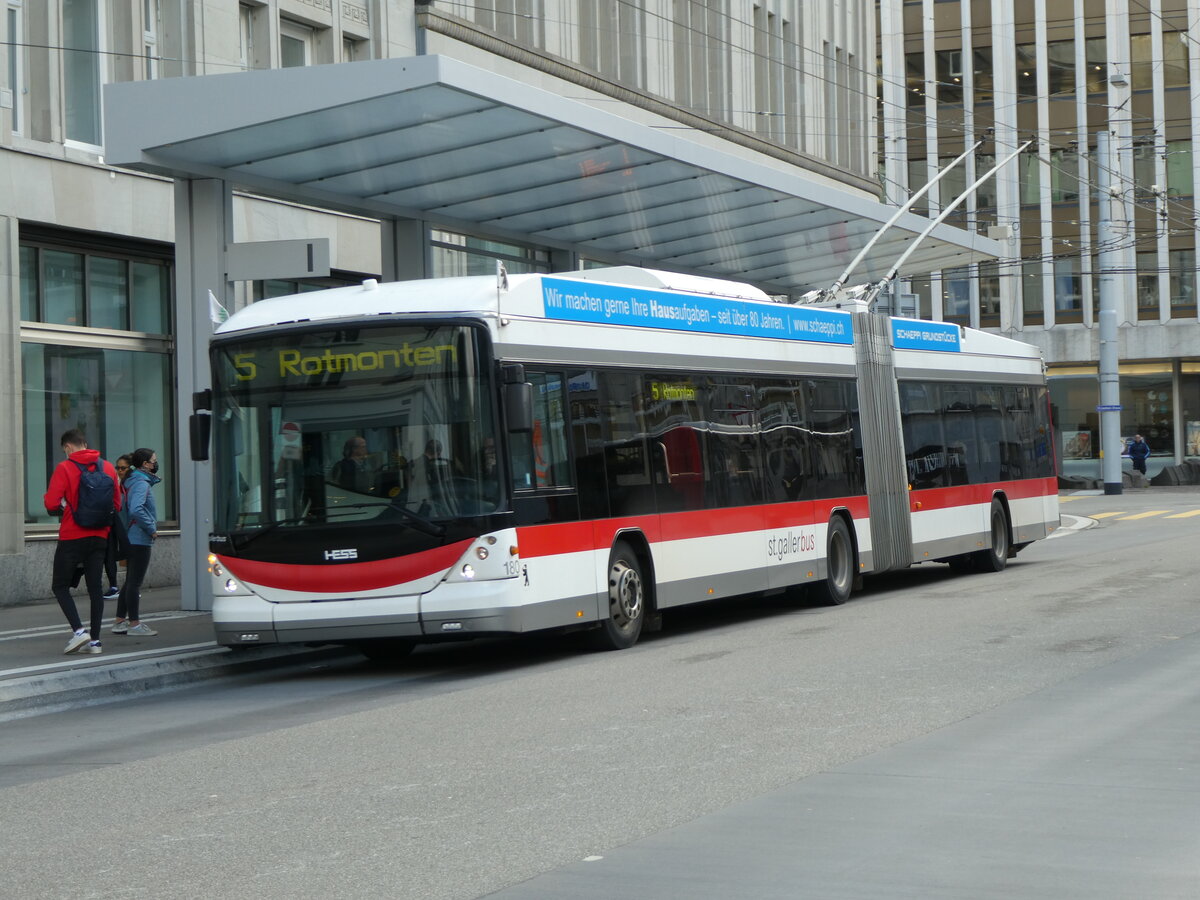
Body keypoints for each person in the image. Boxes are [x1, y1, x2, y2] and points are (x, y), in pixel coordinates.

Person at [44, 429, 122, 655]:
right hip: (99, 535)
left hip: (72, 535)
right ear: (85, 444)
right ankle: (95, 642)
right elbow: (117, 504)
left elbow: (51, 503)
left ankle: (79, 631)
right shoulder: (107, 467)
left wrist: (60, 506)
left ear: (67, 447)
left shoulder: (65, 467)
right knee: (95, 588)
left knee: (59, 586)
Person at [111, 448, 160, 637]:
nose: (155, 463)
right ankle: (135, 624)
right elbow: (136, 509)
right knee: (135, 583)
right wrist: (151, 529)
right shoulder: (141, 483)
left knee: (130, 581)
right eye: (153, 460)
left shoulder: (131, 481)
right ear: (145, 464)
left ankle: (119, 621)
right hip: (139, 537)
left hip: (130, 536)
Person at [101, 454, 133, 599]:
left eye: (123, 468)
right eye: (117, 468)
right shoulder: (116, 482)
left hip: (126, 524)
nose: (119, 471)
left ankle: (131, 587)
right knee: (110, 554)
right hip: (113, 522)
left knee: (128, 552)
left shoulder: (132, 484)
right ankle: (114, 586)